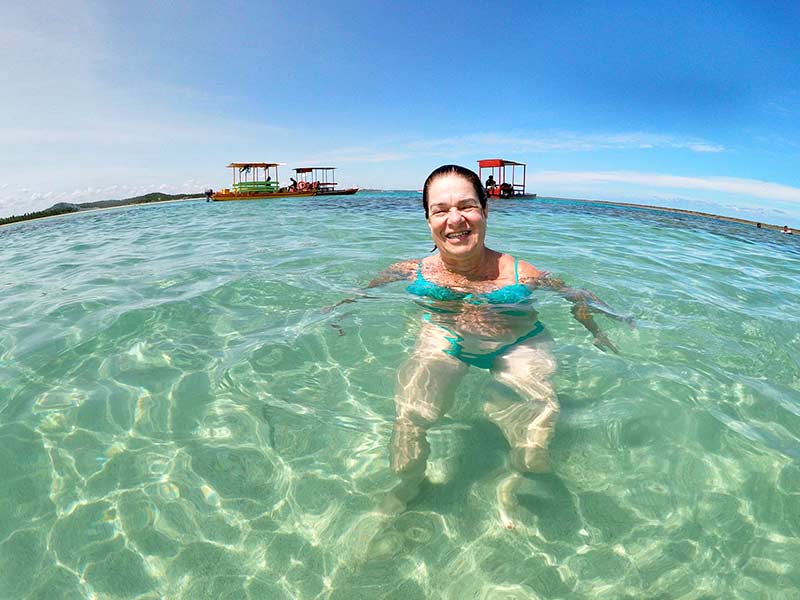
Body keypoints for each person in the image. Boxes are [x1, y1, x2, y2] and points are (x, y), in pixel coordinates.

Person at [350, 164, 630, 528]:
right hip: (445, 340)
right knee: (410, 422)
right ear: (428, 220)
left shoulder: (522, 273)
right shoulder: (412, 270)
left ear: (485, 210)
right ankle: (410, 485)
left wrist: (598, 326)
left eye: (467, 206)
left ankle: (514, 481)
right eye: (440, 210)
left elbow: (574, 294)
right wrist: (338, 311)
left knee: (534, 453)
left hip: (517, 344)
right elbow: (364, 288)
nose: (455, 219)